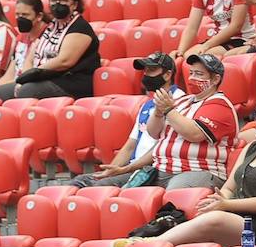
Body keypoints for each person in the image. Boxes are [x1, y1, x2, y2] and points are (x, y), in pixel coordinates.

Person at [117, 90, 256, 247]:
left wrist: (225, 205)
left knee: (214, 219)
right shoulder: (252, 147)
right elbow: (230, 187)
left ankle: (152, 243)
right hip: (232, 213)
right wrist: (219, 199)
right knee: (206, 214)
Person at [69, 52, 184, 189]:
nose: (146, 75)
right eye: (145, 70)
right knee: (78, 182)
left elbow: (163, 147)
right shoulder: (147, 104)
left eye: (152, 70)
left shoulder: (179, 101)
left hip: (152, 171)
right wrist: (110, 170)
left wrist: (126, 169)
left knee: (99, 188)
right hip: (132, 169)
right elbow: (130, 145)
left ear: (167, 75)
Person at [0, 0, 100, 99]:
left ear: (74, 4)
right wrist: (26, 77)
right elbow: (31, 57)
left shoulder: (79, 27)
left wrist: (36, 72)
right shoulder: (50, 27)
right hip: (44, 79)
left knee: (27, 91)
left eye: (63, 0)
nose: (58, 4)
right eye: (54, 0)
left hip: (70, 82)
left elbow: (65, 61)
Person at [147, 54, 239, 190]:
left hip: (199, 170)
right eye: (191, 73)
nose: (192, 78)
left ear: (215, 79)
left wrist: (168, 110)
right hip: (161, 169)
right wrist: (158, 112)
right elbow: (153, 133)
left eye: (199, 74)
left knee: (173, 193)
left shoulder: (220, 104)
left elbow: (194, 134)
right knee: (118, 188)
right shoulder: (182, 101)